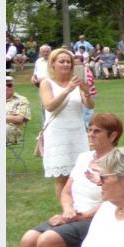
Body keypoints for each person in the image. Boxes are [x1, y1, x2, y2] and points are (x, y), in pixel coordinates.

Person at [19, 113, 121, 247]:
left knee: (48, 240)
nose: (90, 134)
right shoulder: (84, 157)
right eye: (89, 130)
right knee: (28, 240)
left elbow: (113, 201)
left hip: (98, 219)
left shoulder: (118, 162)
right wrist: (68, 210)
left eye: (97, 131)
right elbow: (67, 190)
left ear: (112, 135)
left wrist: (79, 216)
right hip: (72, 215)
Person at [40, 48, 93, 201]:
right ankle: (65, 210)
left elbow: (89, 105)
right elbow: (49, 106)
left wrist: (86, 91)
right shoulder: (47, 83)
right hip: (58, 134)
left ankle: (79, 206)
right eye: (61, 61)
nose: (66, 64)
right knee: (62, 177)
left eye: (68, 62)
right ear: (53, 64)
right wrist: (67, 89)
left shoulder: (77, 82)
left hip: (77, 132)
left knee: (79, 174)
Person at [6, 76, 31, 145]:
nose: (6, 87)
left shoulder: (21, 100)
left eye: (9, 85)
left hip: (11, 130)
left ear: (13, 86)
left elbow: (19, 119)